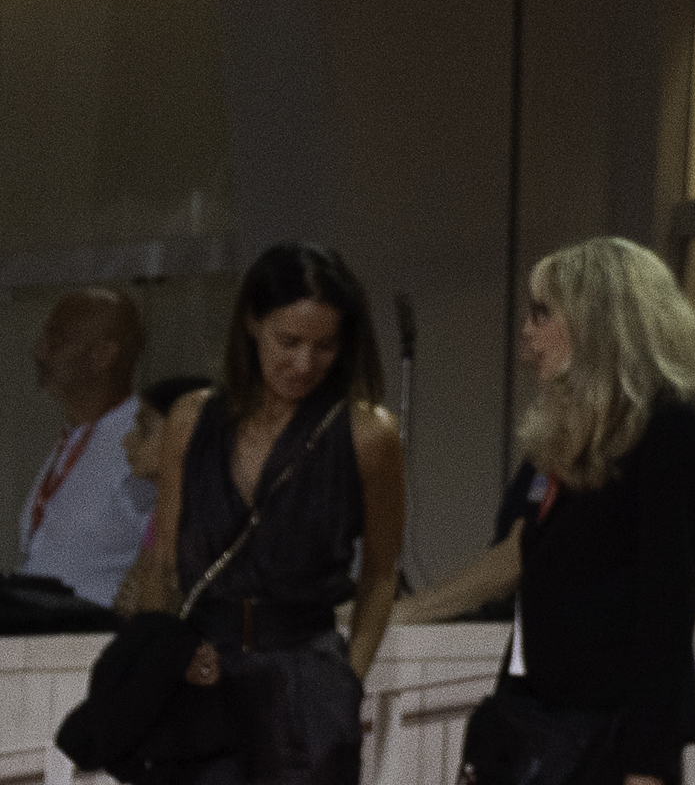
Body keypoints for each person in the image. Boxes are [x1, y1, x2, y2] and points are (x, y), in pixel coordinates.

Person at [138, 241, 407, 785]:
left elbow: (380, 574)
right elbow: (164, 561)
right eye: (289, 341)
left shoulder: (366, 433)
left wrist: (344, 682)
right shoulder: (192, 418)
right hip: (201, 666)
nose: (304, 364)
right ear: (251, 323)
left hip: (305, 674)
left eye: (325, 346)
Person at [486, 237, 695, 785]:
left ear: (597, 321)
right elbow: (529, 574)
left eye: (542, 312)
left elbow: (664, 603)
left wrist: (646, 763)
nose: (528, 330)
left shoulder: (670, 428)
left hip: (613, 735)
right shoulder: (565, 432)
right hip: (541, 719)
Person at [19, 288, 150, 605]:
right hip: (42, 645)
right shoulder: (74, 436)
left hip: (102, 646)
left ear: (103, 356)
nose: (38, 351)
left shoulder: (144, 442)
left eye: (57, 340)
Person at [110, 373, 216, 616]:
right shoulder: (160, 515)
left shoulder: (205, 521)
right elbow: (131, 600)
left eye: (145, 428)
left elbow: (157, 608)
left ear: (185, 434)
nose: (128, 441)